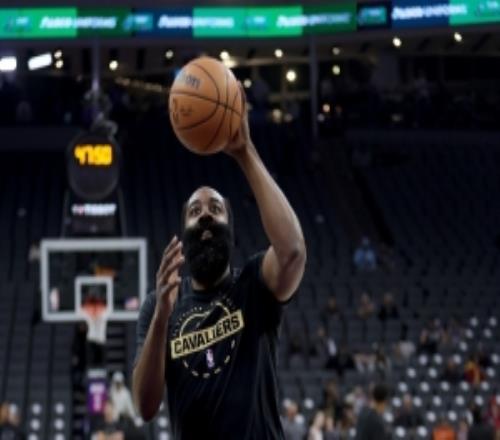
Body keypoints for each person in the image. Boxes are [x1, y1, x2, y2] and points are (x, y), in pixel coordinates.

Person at [132, 85, 307, 439]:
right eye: (195, 211)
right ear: (183, 235)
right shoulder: (159, 307)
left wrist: (245, 152)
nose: (206, 215)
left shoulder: (253, 286)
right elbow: (144, 406)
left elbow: (292, 252)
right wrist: (162, 318)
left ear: (231, 231)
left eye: (216, 209)